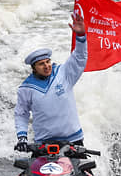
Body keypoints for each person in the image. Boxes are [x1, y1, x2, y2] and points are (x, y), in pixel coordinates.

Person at [14, 11, 87, 150]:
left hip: (73, 141)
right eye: (41, 64)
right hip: (43, 144)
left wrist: (81, 36)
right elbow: (21, 113)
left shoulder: (64, 73)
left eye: (48, 62)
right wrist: (22, 137)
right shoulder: (26, 88)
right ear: (34, 68)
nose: (47, 66)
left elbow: (79, 57)